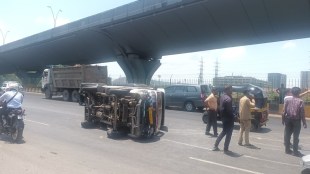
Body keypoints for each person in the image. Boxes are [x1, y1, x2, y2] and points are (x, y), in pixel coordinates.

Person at [282, 87, 307, 157]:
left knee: (287, 135)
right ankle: (295, 151)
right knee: (296, 137)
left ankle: (287, 150)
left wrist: (283, 120)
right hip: (296, 121)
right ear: (299, 93)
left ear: (292, 93)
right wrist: (304, 122)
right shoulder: (300, 101)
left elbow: (283, 111)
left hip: (288, 119)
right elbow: (302, 113)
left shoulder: (287, 100)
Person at [212, 85, 234, 154]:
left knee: (224, 131)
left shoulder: (222, 97)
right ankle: (225, 149)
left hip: (223, 118)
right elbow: (230, 111)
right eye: (231, 89)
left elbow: (220, 107)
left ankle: (215, 145)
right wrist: (234, 117)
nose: (232, 91)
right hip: (229, 119)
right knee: (229, 134)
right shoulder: (228, 99)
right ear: (227, 90)